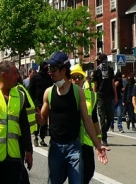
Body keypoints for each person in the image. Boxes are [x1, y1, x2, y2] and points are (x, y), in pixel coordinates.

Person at [41, 51, 108, 184]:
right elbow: (42, 120)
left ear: (63, 70)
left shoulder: (78, 93)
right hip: (56, 147)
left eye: (53, 69)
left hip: (74, 147)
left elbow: (87, 120)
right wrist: (37, 117)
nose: (50, 72)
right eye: (49, 69)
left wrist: (98, 145)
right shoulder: (48, 92)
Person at [68, 63, 101, 184]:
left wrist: (98, 139)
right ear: (70, 79)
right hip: (71, 141)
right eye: (74, 77)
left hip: (86, 141)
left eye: (79, 77)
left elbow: (94, 119)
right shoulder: (66, 95)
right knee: (74, 174)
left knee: (89, 171)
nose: (76, 80)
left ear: (83, 79)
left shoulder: (91, 96)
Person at [92, 53, 117, 146]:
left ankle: (103, 131)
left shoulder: (110, 70)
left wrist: (115, 96)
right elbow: (95, 85)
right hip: (100, 96)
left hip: (108, 95)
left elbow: (112, 83)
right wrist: (94, 97)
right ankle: (104, 138)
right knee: (102, 118)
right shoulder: (97, 71)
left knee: (110, 117)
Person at [28, 61, 52, 147]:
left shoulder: (48, 77)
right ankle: (35, 136)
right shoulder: (35, 77)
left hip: (46, 102)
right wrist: (33, 103)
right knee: (37, 120)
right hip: (37, 102)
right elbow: (30, 90)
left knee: (44, 121)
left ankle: (42, 138)